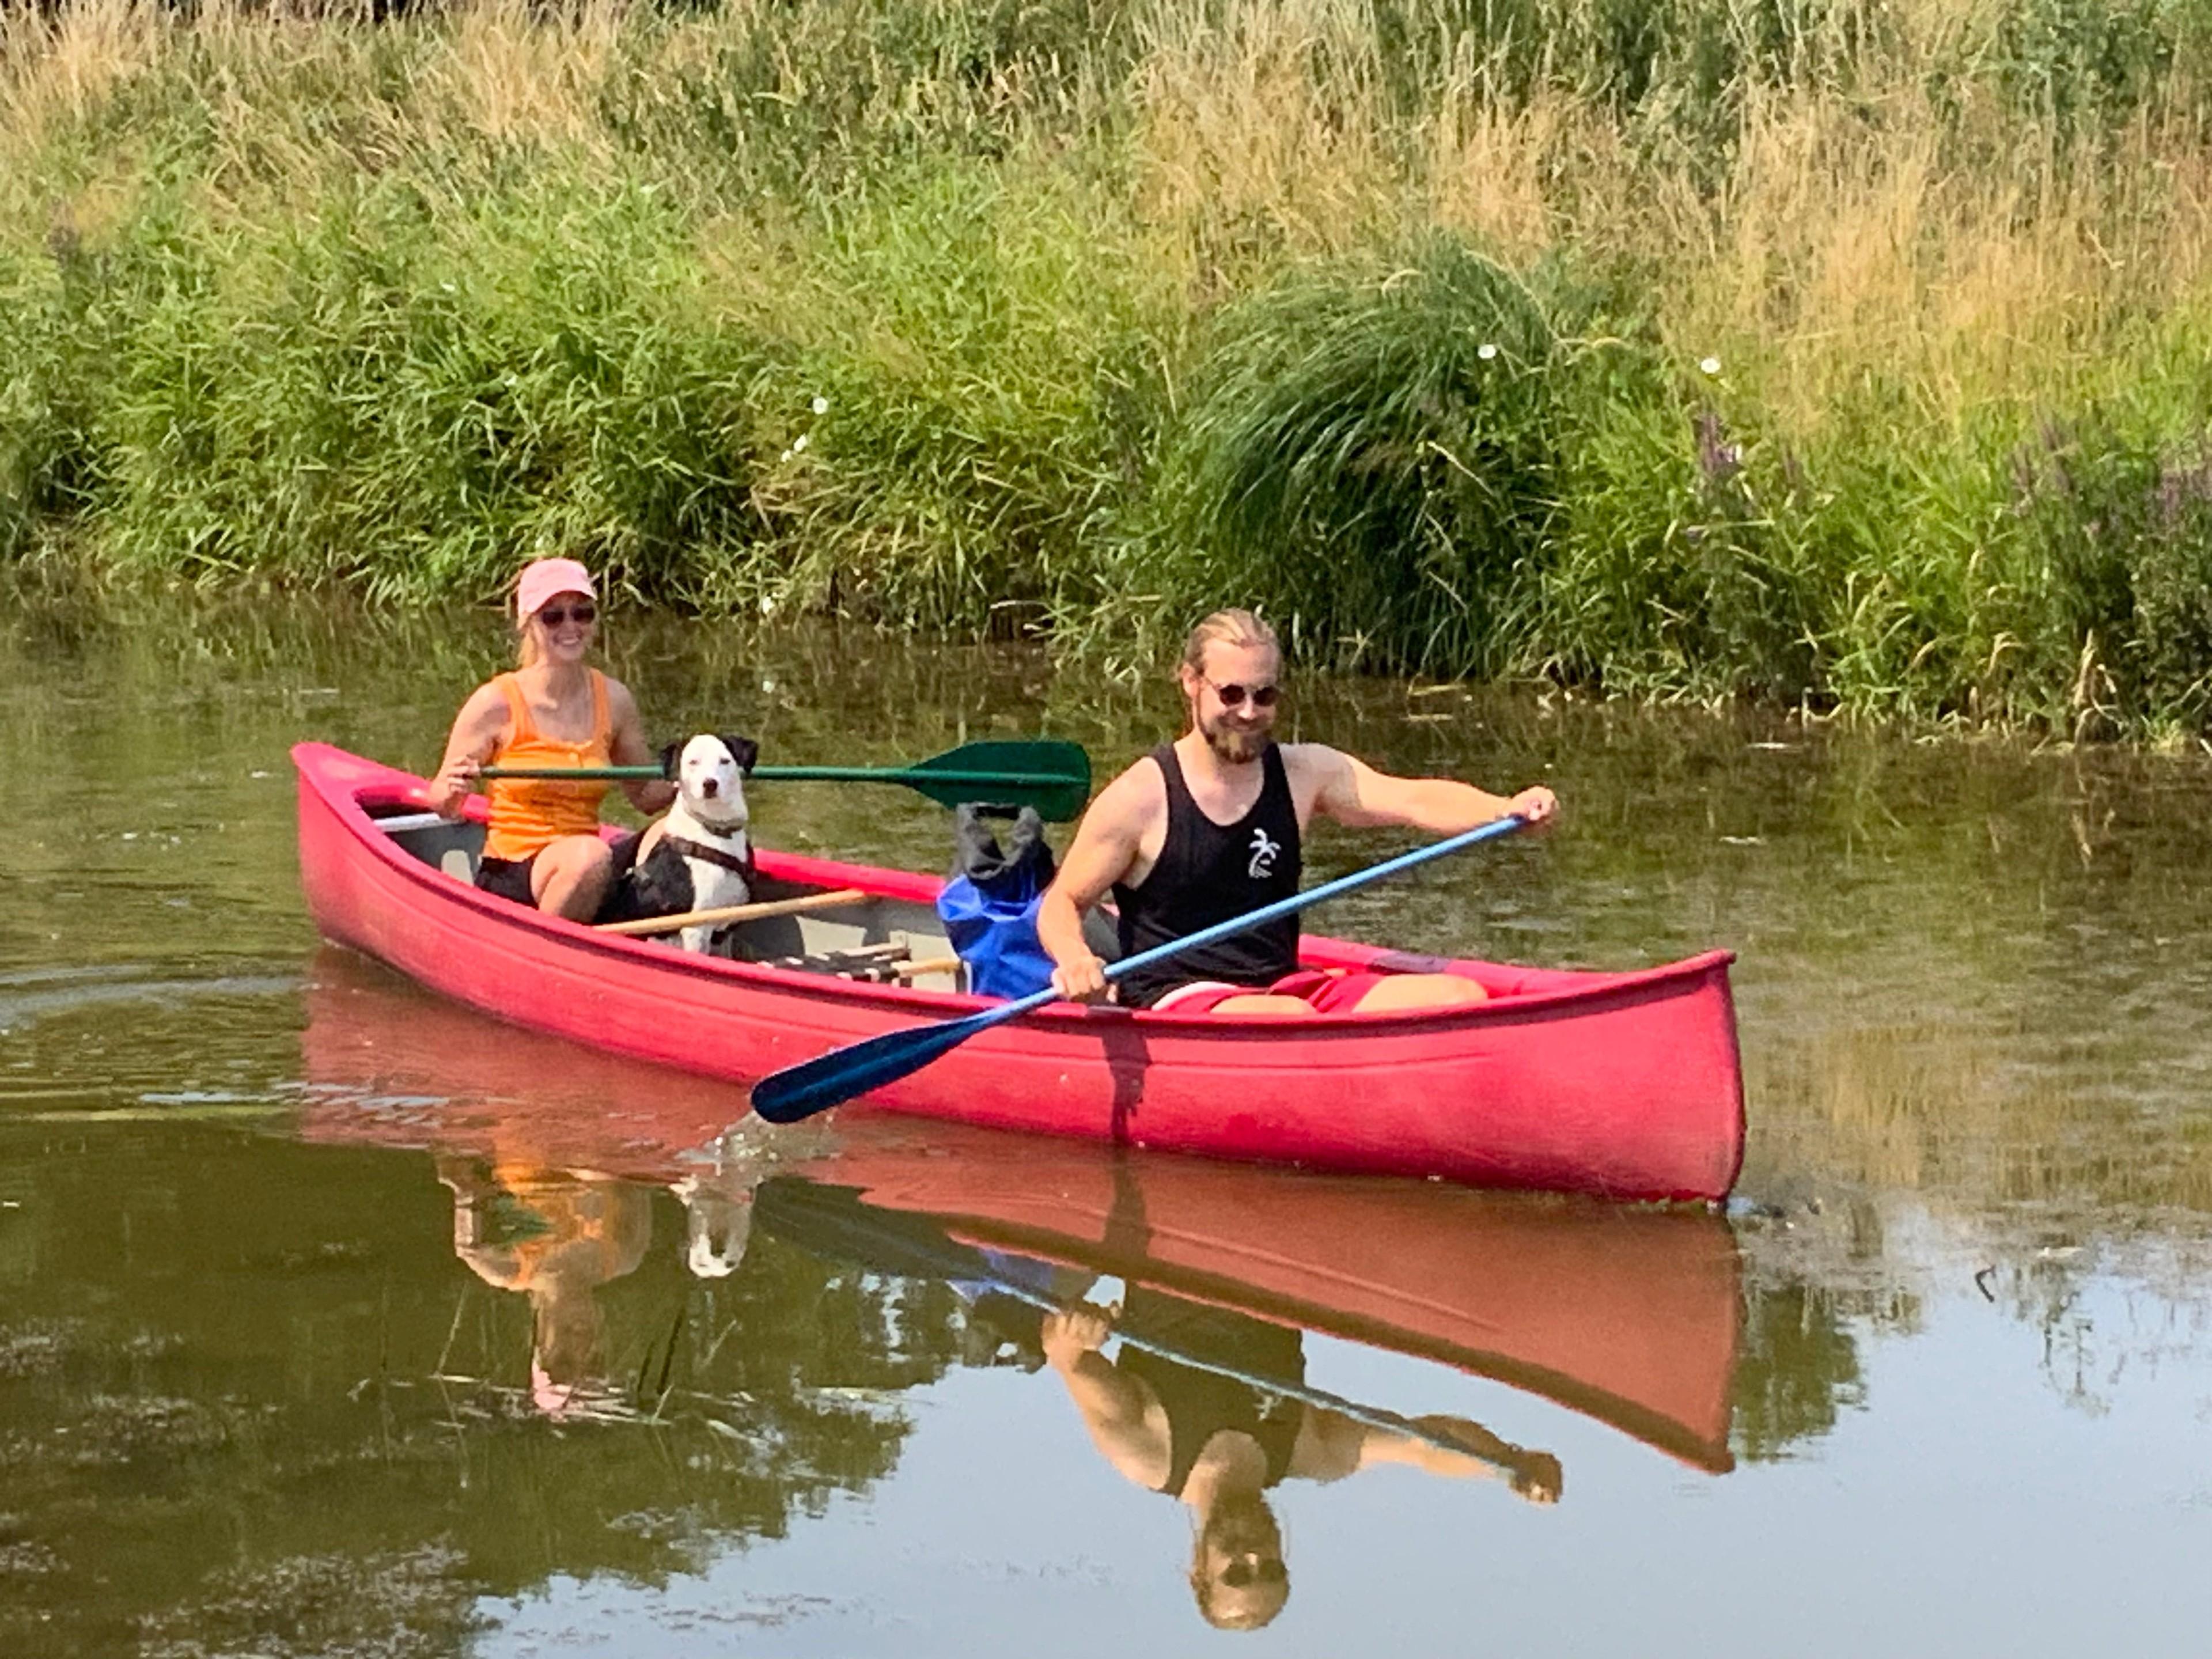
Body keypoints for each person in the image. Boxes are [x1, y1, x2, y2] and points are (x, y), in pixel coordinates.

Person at [1037, 608, 1558, 1016]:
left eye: (1264, 695)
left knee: (1457, 996)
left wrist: (1503, 810)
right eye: (1231, 693)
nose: (1248, 712)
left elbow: (1414, 799)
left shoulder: (1304, 772)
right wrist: (1075, 959)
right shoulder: (1141, 796)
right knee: (1284, 1012)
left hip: (1283, 987)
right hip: (1179, 997)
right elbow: (1063, 901)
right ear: (1191, 683)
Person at [1040, 1290, 1560, 1631]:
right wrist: (1506, 1462)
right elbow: (1423, 1445)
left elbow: (1065, 1357)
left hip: (1176, 1224)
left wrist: (1072, 1332)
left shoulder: (1145, 1454)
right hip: (1269, 1231)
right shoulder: (1309, 1449)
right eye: (1271, 1568)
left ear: (1197, 1571)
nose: (1252, 1557)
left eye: (1237, 1576)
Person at [429, 557, 673, 921]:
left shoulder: (615, 699)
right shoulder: (495, 702)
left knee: (677, 834)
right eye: (553, 616)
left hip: (588, 865)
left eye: (582, 613)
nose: (570, 626)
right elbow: (442, 804)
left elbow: (645, 796)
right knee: (589, 857)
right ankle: (548, 949)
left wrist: (699, 777)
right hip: (515, 872)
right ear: (527, 622)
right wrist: (451, 789)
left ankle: (649, 941)